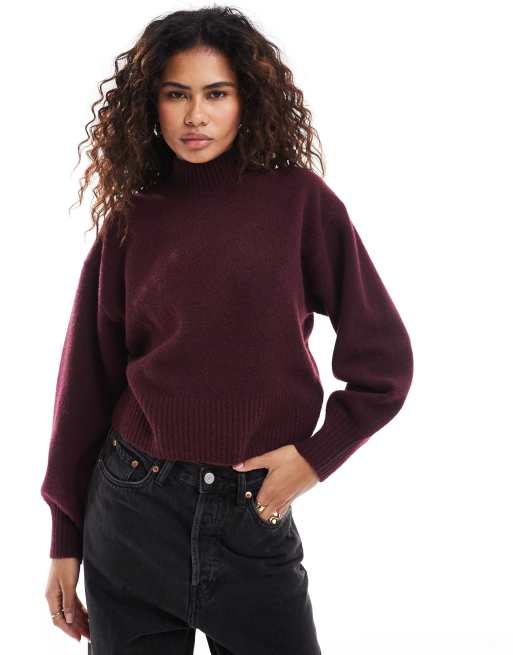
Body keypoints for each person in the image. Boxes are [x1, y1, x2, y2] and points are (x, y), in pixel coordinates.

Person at [41, 6, 414, 654]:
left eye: (216, 94)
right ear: (150, 105)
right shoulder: (133, 220)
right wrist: (63, 541)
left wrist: (315, 458)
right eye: (176, 94)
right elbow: (84, 388)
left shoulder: (299, 202)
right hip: (131, 509)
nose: (195, 116)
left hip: (251, 514)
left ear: (248, 99)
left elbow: (384, 364)